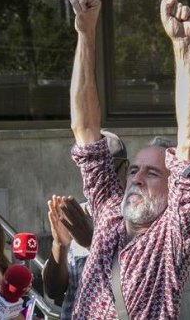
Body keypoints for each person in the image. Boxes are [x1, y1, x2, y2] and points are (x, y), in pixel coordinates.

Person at [67, 0, 190, 319]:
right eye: (133, 170)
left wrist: (183, 47)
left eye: (153, 173)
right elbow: (85, 128)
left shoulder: (172, 240)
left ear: (175, 189)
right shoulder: (108, 215)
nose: (137, 179)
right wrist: (86, 35)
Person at [42, 130, 128, 319]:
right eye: (90, 170)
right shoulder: (76, 216)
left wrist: (93, 243)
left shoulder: (139, 220)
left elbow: (134, 287)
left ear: (126, 169)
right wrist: (60, 245)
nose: (99, 180)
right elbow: (53, 291)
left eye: (108, 170)